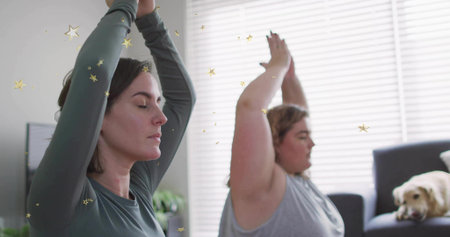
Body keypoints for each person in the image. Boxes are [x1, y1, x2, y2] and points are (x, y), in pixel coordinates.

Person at [26, 0, 195, 236]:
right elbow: (94, 71)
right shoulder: (62, 202)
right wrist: (124, 4)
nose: (161, 118)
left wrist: (148, 16)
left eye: (157, 103)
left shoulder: (139, 188)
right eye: (143, 105)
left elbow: (182, 100)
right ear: (98, 114)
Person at [218, 32, 344, 237]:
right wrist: (279, 66)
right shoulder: (259, 185)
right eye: (303, 137)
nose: (312, 143)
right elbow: (249, 107)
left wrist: (289, 78)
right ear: (274, 142)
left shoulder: (297, 179)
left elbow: (297, 115)